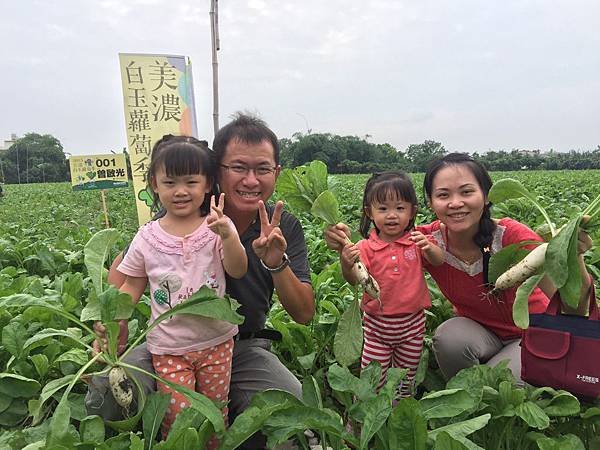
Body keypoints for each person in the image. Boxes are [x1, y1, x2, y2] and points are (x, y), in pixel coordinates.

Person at [87, 114, 315, 449]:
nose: (251, 180)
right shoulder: (186, 209)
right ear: (217, 173)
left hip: (241, 345)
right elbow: (121, 277)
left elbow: (304, 314)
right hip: (170, 343)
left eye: (262, 169)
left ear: (276, 172)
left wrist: (275, 262)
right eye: (238, 167)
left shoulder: (283, 226)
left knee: (289, 404)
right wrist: (111, 320)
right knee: (110, 387)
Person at [325, 153, 592, 382]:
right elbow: (379, 249)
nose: (455, 203)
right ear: (430, 203)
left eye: (466, 192)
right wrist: (342, 242)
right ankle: (472, 391)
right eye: (443, 195)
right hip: (479, 333)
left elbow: (574, 306)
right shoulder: (424, 242)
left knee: (503, 383)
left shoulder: (511, 236)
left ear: (485, 197)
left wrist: (572, 255)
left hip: (532, 333)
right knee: (449, 338)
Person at [105, 135, 247, 446]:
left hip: (217, 344)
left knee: (214, 415)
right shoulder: (147, 237)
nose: (180, 191)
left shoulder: (216, 227)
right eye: (170, 183)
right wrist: (115, 320)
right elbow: (131, 285)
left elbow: (237, 269)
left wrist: (228, 237)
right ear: (154, 185)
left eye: (191, 182)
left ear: (207, 183)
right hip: (169, 348)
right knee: (176, 419)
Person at [338, 171, 443, 397]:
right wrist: (346, 264)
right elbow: (356, 279)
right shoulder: (365, 247)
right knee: (372, 377)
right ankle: (362, 419)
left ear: (412, 211)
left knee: (406, 377)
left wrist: (430, 247)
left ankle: (397, 415)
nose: (392, 215)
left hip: (412, 327)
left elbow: (438, 260)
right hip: (377, 328)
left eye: (400, 208)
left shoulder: (417, 241)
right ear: (370, 212)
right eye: (383, 209)